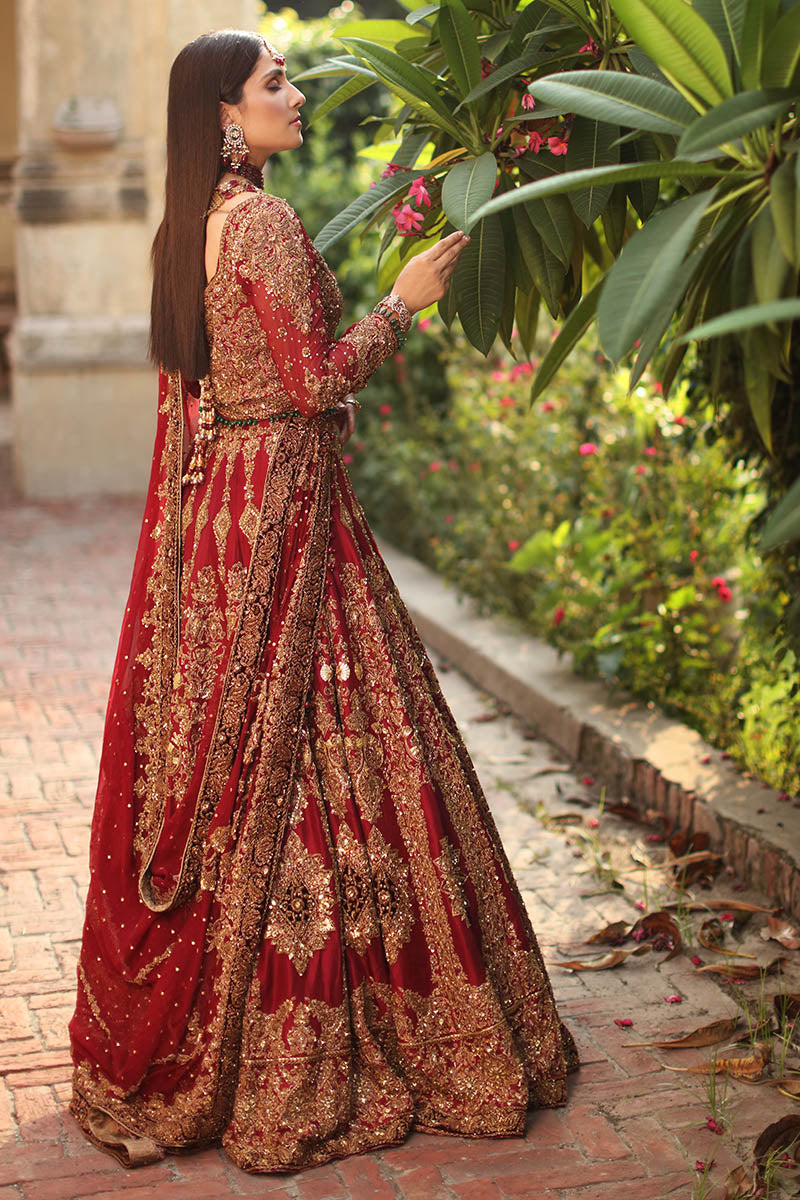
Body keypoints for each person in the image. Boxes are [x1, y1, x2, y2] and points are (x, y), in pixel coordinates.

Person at [67, 27, 579, 1175]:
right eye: (275, 83)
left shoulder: (179, 234)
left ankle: (213, 1041)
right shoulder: (263, 224)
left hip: (225, 525)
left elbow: (200, 405)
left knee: (256, 751)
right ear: (222, 117)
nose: (293, 98)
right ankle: (344, 1035)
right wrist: (401, 302)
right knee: (335, 738)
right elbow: (314, 382)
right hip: (292, 510)